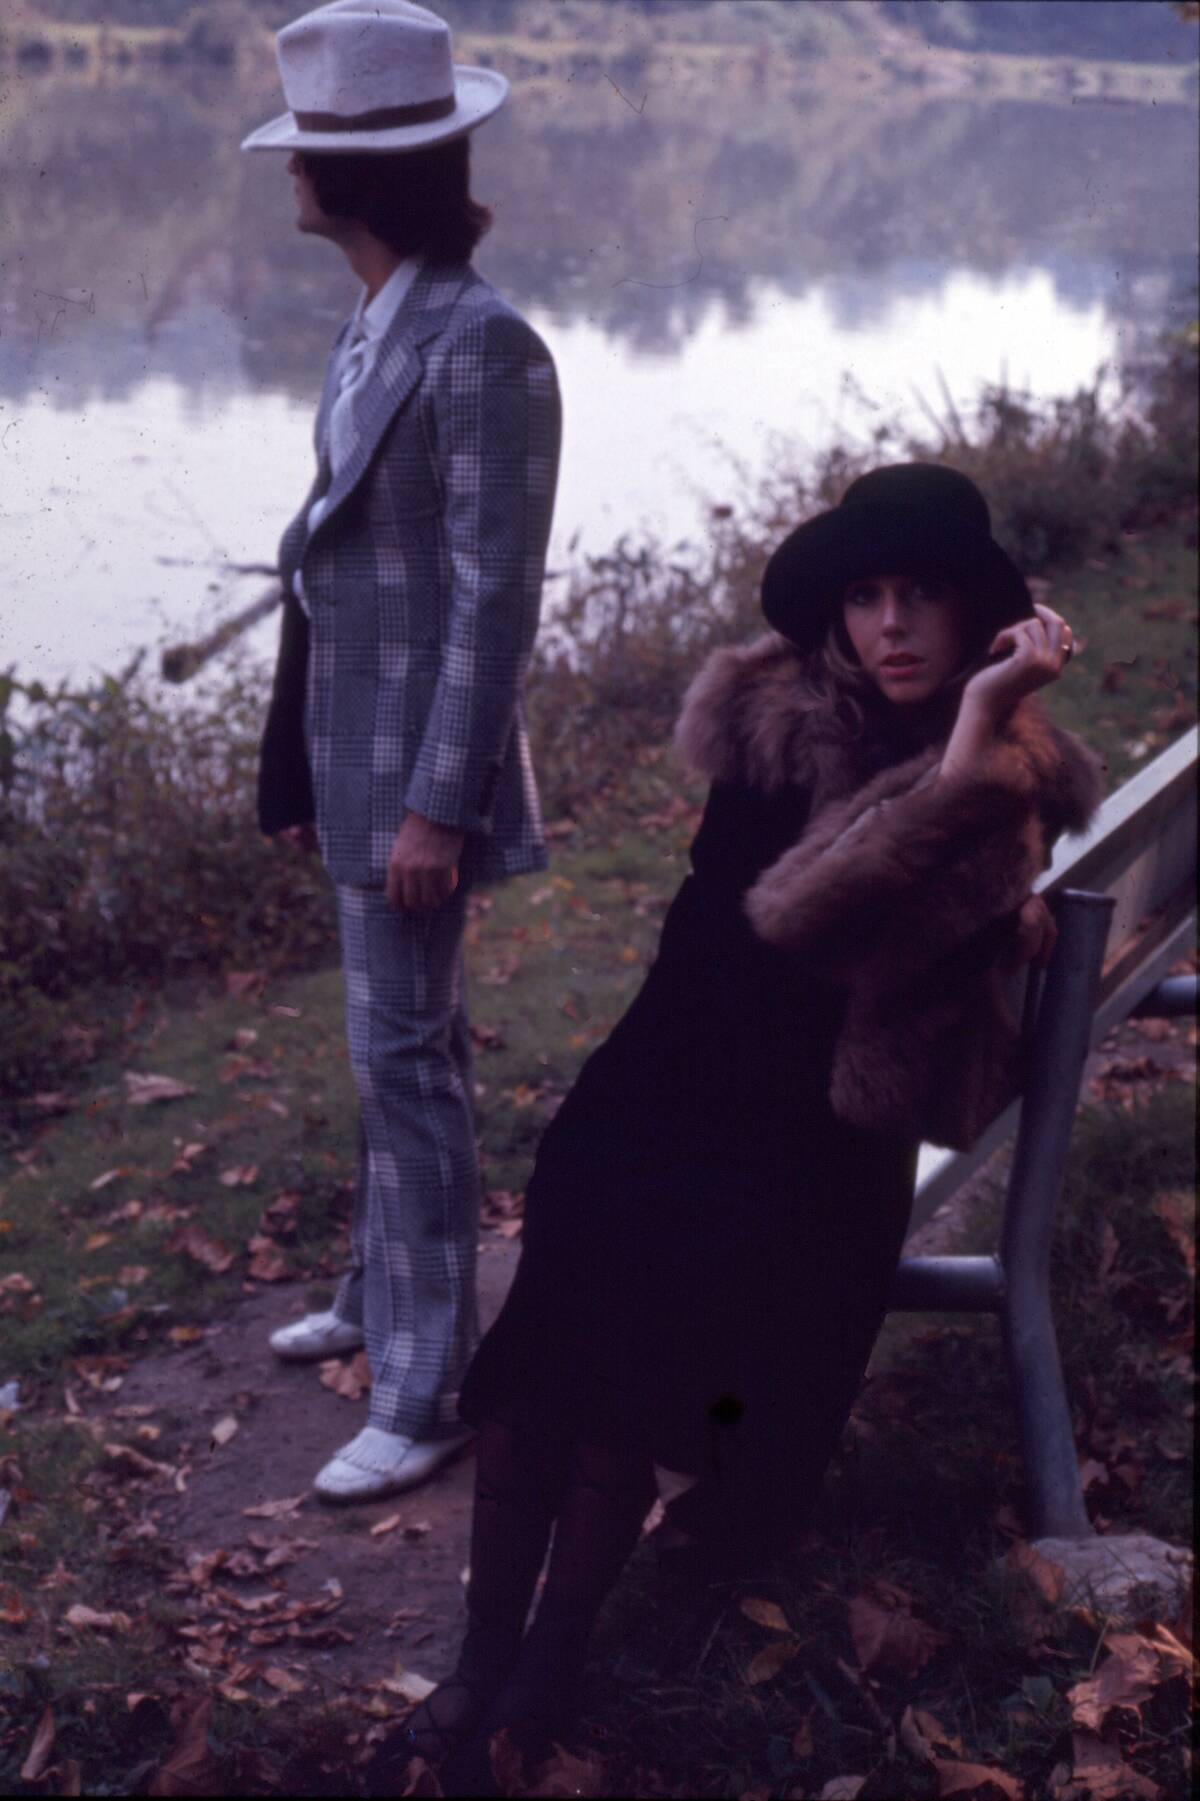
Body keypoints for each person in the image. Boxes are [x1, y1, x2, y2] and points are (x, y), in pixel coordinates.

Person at [372, 462, 1103, 1793]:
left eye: (921, 596)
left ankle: (548, 1664)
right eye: (865, 596)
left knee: (653, 1284)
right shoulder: (782, 722)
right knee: (587, 1236)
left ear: (974, 615)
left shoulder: (1005, 768)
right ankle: (484, 1664)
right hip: (681, 1071)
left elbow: (823, 929)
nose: (889, 624)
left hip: (818, 1135)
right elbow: (727, 948)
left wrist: (975, 734)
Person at [241, 0, 561, 1502]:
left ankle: (427, 1390)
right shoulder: (374, 323)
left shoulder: (485, 347)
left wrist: (442, 804)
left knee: (409, 1064)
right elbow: (332, 566)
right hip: (353, 763)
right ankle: (377, 1302)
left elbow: (496, 605)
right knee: (388, 1053)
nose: (289, 174)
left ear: (361, 179)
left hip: (417, 785)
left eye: (307, 152)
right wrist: (296, 775)